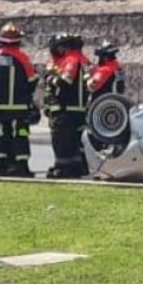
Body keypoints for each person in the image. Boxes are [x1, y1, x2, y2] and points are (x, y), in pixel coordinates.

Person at [0, 22, 39, 178]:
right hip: (20, 107)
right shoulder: (22, 58)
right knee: (21, 134)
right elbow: (32, 80)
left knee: (2, 135)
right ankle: (21, 166)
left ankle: (1, 166)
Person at [44, 33, 90, 179]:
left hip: (65, 109)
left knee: (62, 141)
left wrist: (50, 78)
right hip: (80, 109)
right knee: (77, 141)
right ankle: (79, 168)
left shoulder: (71, 60)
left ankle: (64, 169)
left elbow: (66, 81)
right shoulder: (84, 60)